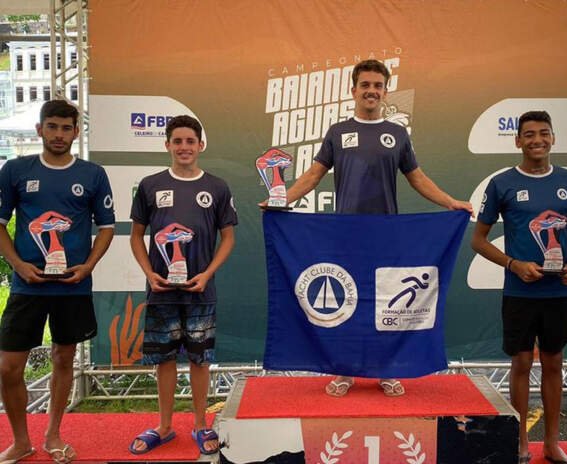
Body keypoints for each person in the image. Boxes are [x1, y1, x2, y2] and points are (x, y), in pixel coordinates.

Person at [261, 59, 472, 397]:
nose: (371, 91)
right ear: (354, 90)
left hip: (386, 234)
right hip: (345, 234)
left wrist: (450, 202)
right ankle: (344, 372)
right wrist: (281, 199)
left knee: (386, 304)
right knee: (350, 302)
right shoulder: (337, 132)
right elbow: (313, 175)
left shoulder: (397, 134)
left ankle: (387, 370)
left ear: (385, 92)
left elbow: (417, 178)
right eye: (365, 85)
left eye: (377, 86)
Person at [0, 99, 115, 464]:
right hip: (27, 285)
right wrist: (18, 265)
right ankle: (21, 441)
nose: (59, 134)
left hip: (72, 286)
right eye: (52, 127)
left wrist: (87, 266)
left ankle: (53, 434)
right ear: (40, 129)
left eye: (66, 128)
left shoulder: (93, 174)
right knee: (7, 367)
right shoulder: (15, 169)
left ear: (76, 132)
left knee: (64, 358)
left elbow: (107, 228)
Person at [471, 110, 567, 464]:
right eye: (530, 134)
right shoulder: (502, 183)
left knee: (554, 364)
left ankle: (552, 443)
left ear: (553, 138)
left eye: (544, 133)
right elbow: (478, 240)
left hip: (560, 293)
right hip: (519, 293)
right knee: (520, 363)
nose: (538, 140)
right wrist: (514, 265)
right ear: (518, 140)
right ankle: (520, 441)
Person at [129, 115, 237, 455]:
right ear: (167, 145)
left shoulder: (217, 187)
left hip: (200, 291)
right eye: (177, 141)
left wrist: (207, 274)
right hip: (162, 290)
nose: (184, 147)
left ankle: (200, 424)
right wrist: (150, 273)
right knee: (164, 360)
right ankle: (164, 426)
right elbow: (136, 236)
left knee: (200, 359)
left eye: (190, 141)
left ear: (200, 145)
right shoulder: (150, 185)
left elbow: (228, 238)